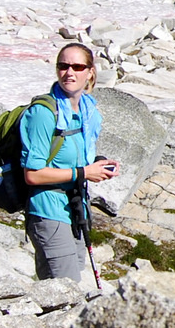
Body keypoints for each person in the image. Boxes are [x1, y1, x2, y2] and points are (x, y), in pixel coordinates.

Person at [20, 43, 119, 280]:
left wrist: (98, 164)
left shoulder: (87, 110)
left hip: (75, 209)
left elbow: (73, 157)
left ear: (90, 72)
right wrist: (84, 173)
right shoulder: (44, 113)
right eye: (63, 66)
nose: (69, 73)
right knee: (66, 288)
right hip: (48, 209)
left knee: (69, 286)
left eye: (77, 66)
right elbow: (32, 174)